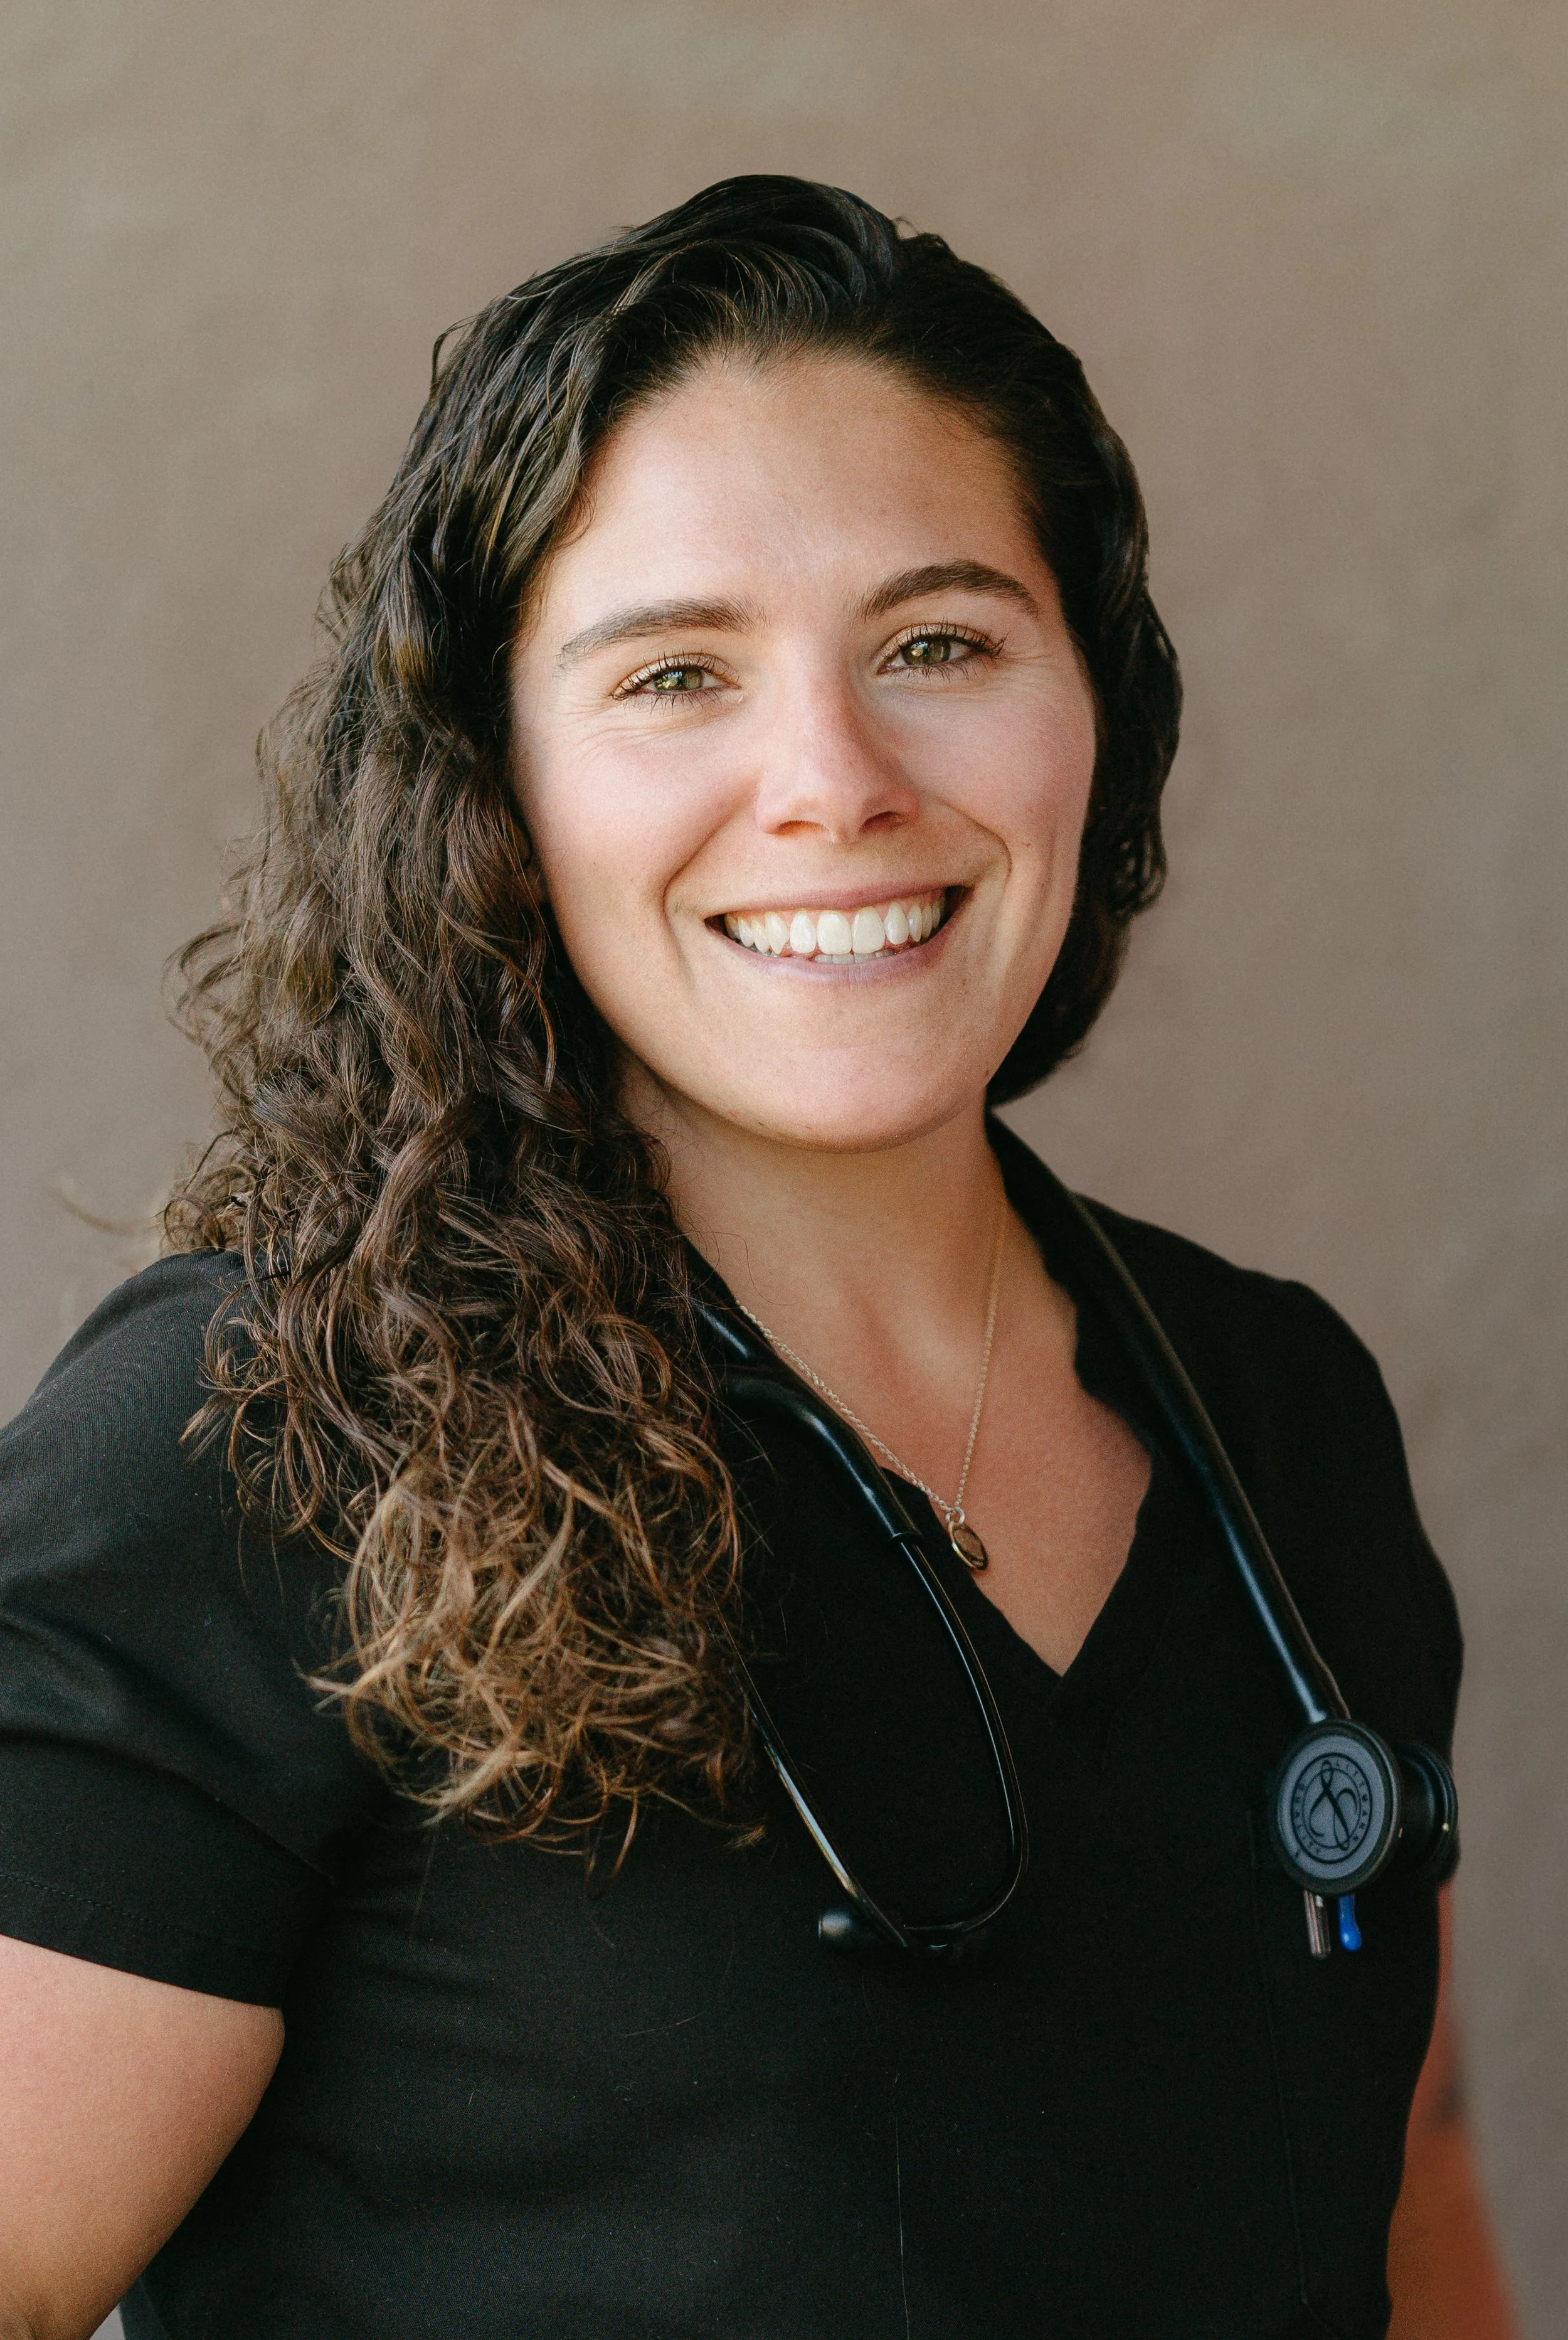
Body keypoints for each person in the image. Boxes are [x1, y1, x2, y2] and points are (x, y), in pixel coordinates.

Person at [0, 178, 1513, 2340]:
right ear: (493, 789)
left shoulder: (1277, 1415)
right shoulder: (263, 1431)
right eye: (676, 675)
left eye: (937, 645)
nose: (830, 783)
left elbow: (1404, 2198)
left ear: (1096, 702)